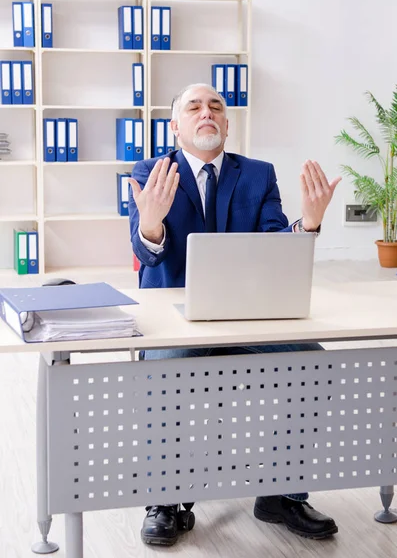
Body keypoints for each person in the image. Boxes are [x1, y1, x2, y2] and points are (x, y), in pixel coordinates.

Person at [128, 83, 342, 546]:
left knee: (313, 362)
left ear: (226, 124)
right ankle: (164, 500)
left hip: (250, 317)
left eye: (216, 107)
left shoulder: (258, 174)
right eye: (194, 106)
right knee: (163, 373)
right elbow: (147, 256)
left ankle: (282, 495)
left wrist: (308, 224)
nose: (206, 112)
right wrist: (150, 223)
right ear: (175, 126)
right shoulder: (151, 172)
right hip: (174, 323)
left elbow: (274, 245)